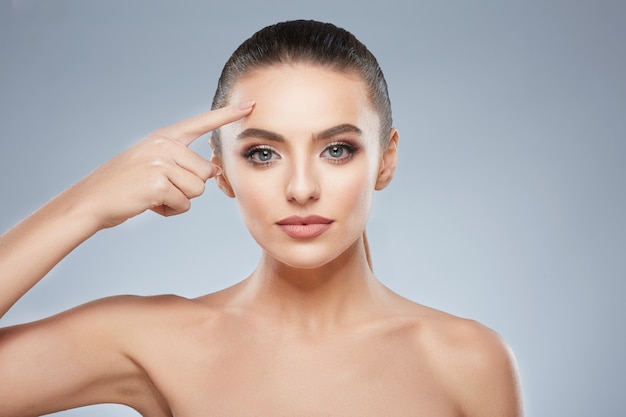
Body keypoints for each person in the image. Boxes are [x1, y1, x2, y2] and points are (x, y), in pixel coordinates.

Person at [0, 20, 522, 416]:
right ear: (221, 169)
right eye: (263, 154)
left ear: (385, 159)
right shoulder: (152, 341)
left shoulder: (467, 359)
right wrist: (83, 206)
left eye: (337, 149)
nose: (301, 189)